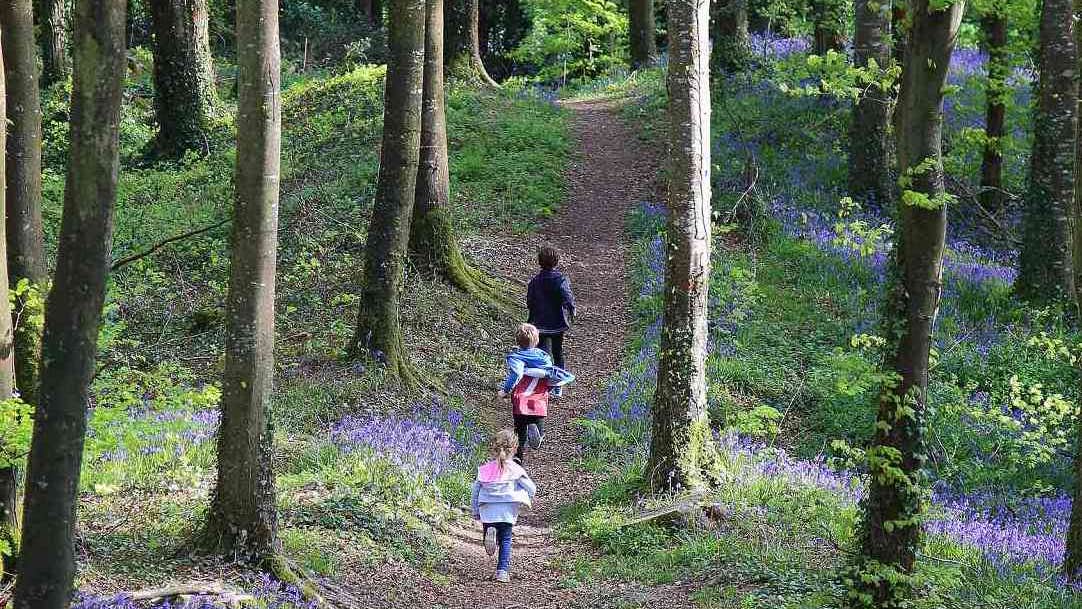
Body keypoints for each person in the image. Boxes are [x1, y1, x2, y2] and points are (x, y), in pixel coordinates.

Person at [471, 428, 537, 583]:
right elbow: (532, 489)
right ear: (514, 449)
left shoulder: (485, 469)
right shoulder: (515, 469)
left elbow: (475, 490)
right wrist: (525, 496)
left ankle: (490, 531)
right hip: (507, 511)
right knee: (506, 540)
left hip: (488, 510)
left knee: (490, 529)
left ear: (494, 449)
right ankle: (502, 571)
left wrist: (475, 510)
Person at [497, 323, 553, 463]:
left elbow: (515, 375)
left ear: (517, 341)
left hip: (521, 397)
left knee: (519, 428)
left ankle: (518, 456)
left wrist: (505, 390)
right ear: (537, 340)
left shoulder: (516, 357)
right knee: (538, 417)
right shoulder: (544, 357)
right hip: (538, 396)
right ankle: (537, 433)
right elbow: (552, 374)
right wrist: (555, 389)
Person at [526, 244, 575, 397]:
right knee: (558, 352)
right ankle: (558, 385)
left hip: (539, 323)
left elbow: (530, 301)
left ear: (539, 262)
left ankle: (542, 385)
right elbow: (567, 298)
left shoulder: (535, 281)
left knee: (543, 354)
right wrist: (571, 310)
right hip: (557, 323)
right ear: (556, 262)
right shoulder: (561, 279)